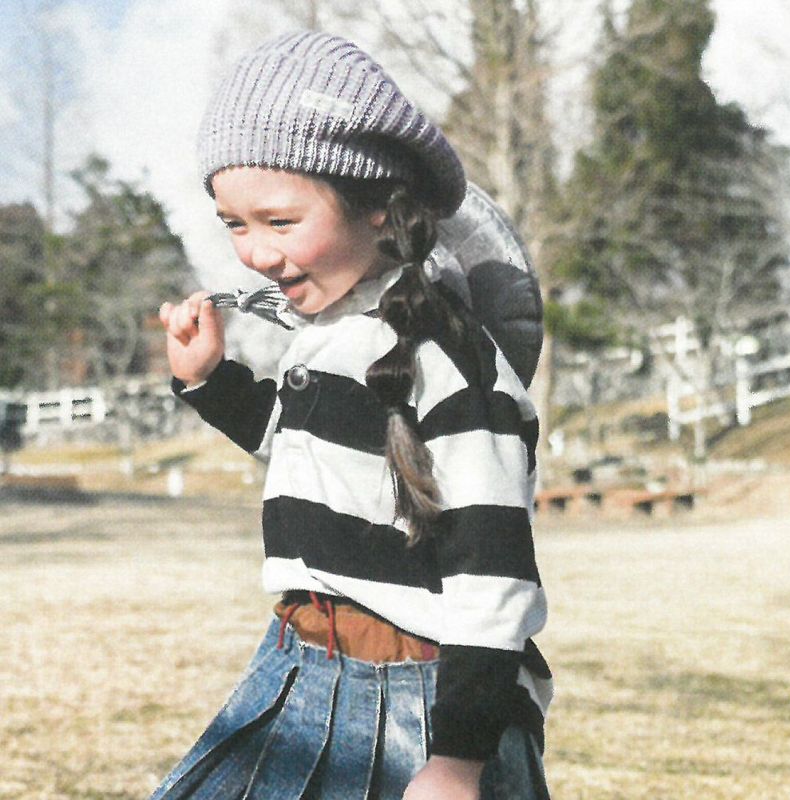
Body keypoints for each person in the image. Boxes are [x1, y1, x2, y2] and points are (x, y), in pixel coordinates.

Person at [153, 30, 553, 800]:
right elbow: (308, 448)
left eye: (279, 221)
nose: (254, 254)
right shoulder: (330, 334)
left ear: (377, 209)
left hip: (416, 701)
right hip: (296, 672)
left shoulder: (453, 363)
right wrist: (209, 381)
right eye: (234, 224)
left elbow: (493, 581)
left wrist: (458, 761)